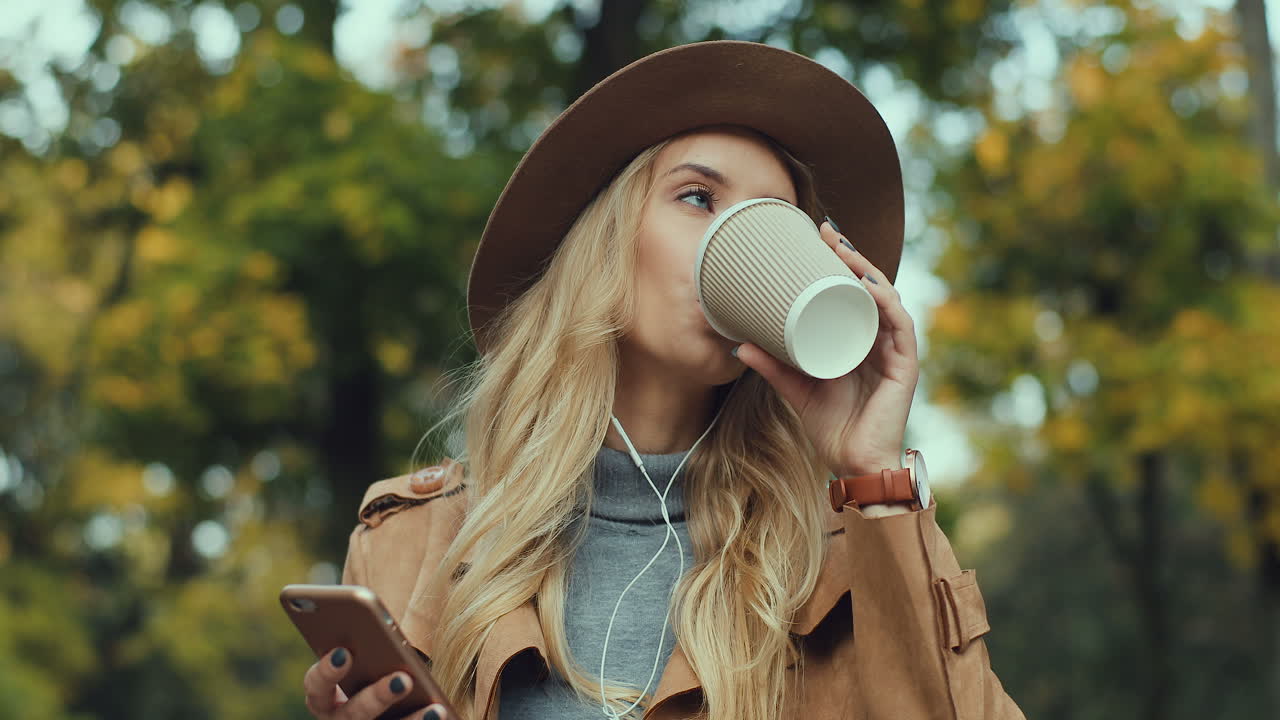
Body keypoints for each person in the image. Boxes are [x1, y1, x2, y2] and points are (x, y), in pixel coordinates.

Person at [301, 41, 1025, 720]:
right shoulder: (418, 541)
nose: (738, 246)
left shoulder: (837, 556)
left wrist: (873, 474)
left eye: (776, 226)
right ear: (604, 243)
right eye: (698, 199)